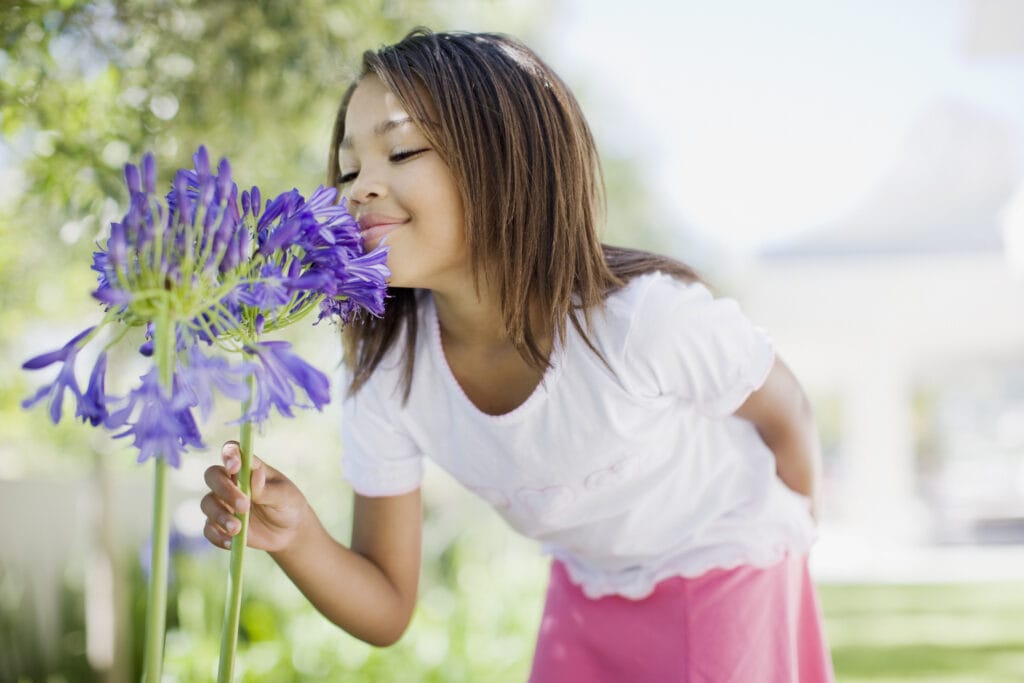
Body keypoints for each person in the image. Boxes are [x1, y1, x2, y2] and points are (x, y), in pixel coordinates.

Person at [201, 28, 835, 682]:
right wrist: (296, 534)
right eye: (351, 166)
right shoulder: (390, 374)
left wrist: (792, 530)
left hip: (727, 564)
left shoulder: (643, 321)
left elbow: (784, 406)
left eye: (402, 150)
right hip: (587, 587)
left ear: (509, 162)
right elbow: (387, 604)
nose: (360, 187)